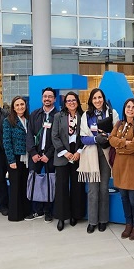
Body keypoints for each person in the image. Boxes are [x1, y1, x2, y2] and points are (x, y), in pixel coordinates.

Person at [78, 88, 119, 234]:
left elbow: (117, 132)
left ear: (103, 98)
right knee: (93, 190)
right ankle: (92, 221)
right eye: (94, 98)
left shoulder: (111, 113)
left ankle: (103, 220)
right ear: (91, 100)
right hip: (91, 155)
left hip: (106, 154)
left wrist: (107, 136)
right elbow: (82, 138)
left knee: (103, 188)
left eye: (100, 97)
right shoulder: (86, 115)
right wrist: (96, 139)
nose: (97, 100)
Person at [109, 98, 134, 240]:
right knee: (124, 198)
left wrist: (119, 147)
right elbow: (111, 139)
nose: (130, 109)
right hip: (120, 166)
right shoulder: (119, 123)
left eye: (133, 107)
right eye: (128, 107)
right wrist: (124, 143)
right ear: (124, 109)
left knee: (133, 199)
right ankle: (128, 224)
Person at [51, 91, 86, 231]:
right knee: (61, 188)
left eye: (73, 100)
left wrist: (78, 152)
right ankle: (61, 217)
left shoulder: (83, 117)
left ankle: (75, 215)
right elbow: (54, 136)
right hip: (62, 157)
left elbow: (86, 135)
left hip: (78, 157)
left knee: (78, 188)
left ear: (77, 102)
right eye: (68, 101)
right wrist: (65, 153)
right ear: (65, 104)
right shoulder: (58, 116)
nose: (71, 102)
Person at [26, 86, 57, 222]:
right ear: (42, 98)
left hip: (50, 156)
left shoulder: (59, 116)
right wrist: (33, 152)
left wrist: (48, 155)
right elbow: (29, 134)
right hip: (35, 155)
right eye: (45, 96)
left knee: (50, 183)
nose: (47, 99)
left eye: (50, 96)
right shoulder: (34, 114)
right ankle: (36, 210)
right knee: (34, 182)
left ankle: (48, 211)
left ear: (54, 99)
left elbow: (59, 138)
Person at [2, 95, 32, 222]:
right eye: (17, 105)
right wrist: (11, 160)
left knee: (25, 185)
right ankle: (15, 215)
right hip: (15, 157)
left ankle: (26, 212)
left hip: (27, 157)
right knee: (15, 187)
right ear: (13, 108)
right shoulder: (8, 121)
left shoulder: (28, 119)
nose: (20, 107)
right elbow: (6, 141)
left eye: (22, 104)